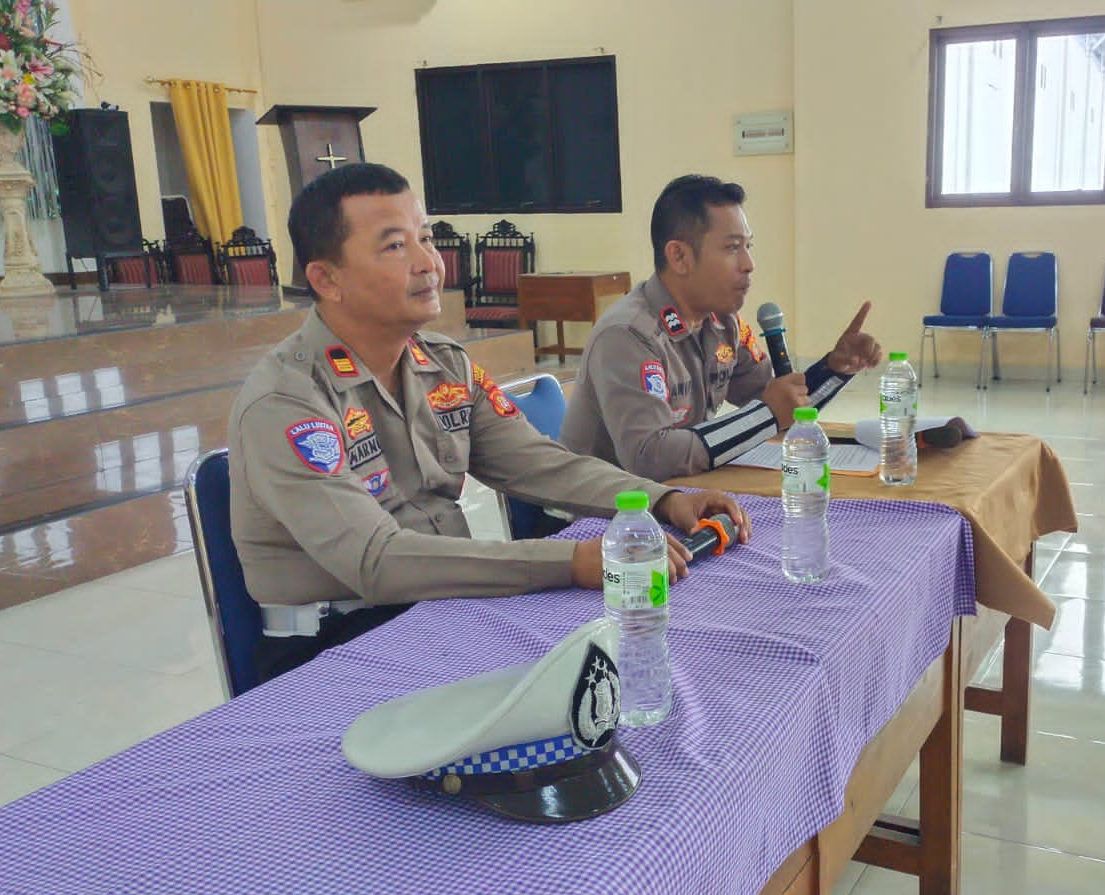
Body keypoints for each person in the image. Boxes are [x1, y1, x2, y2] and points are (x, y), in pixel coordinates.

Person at [229, 163, 748, 683]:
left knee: (663, 652)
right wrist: (568, 562)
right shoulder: (287, 401)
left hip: (441, 614)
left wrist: (660, 498)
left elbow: (540, 465)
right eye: (394, 247)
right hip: (333, 647)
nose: (428, 263)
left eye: (426, 238)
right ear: (326, 279)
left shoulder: (445, 365)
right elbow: (377, 561)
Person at [560, 174, 882, 480]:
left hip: (679, 494)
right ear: (680, 257)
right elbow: (649, 458)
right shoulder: (629, 335)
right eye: (732, 248)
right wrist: (768, 415)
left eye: (748, 246)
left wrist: (835, 369)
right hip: (605, 518)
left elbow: (780, 403)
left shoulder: (721, 322)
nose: (748, 264)